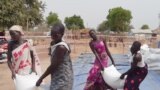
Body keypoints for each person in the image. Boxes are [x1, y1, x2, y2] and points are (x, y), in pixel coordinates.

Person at [36, 23, 73, 90]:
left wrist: (41, 78)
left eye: (56, 35)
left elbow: (53, 66)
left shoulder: (61, 47)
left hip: (63, 78)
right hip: (57, 75)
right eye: (52, 34)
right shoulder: (54, 43)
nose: (53, 37)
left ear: (62, 34)